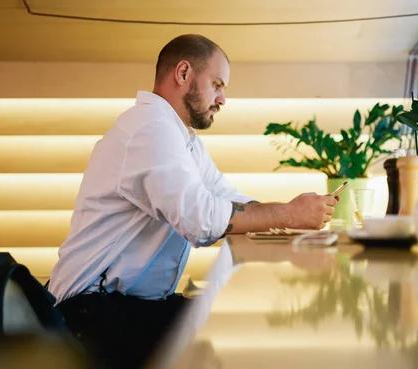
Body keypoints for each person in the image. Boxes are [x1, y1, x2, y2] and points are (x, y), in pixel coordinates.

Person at [48, 34, 337, 369]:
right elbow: (201, 219)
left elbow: (226, 197)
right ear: (183, 73)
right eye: (217, 84)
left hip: (130, 306)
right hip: (87, 314)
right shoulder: (148, 129)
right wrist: (288, 214)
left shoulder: (181, 138)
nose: (223, 99)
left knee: (229, 322)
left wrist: (289, 213)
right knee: (229, 339)